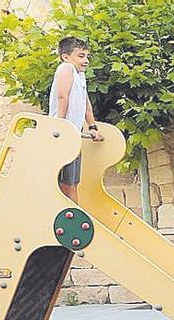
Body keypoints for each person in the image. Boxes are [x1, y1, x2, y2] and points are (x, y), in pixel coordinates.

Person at [49, 37, 104, 201]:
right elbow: (62, 97)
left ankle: (74, 218)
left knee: (72, 182)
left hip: (73, 133)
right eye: (81, 56)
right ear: (66, 57)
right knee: (66, 184)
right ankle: (71, 220)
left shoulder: (80, 76)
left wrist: (92, 127)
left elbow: (86, 105)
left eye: (87, 56)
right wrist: (61, 125)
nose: (86, 60)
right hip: (61, 132)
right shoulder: (66, 68)